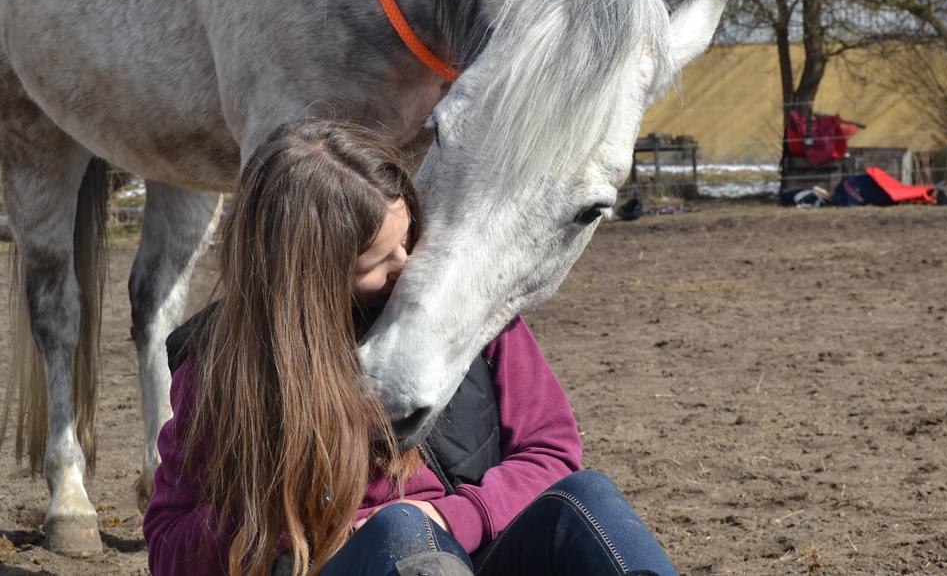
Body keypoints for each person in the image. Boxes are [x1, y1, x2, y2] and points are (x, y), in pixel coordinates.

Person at [143, 119, 678, 576]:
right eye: (379, 261)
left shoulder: (463, 308)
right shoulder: (221, 366)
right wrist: (280, 523)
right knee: (401, 530)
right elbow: (168, 543)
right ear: (309, 276)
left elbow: (552, 454)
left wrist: (451, 518)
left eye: (409, 236)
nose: (410, 265)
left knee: (586, 501)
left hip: (477, 548)